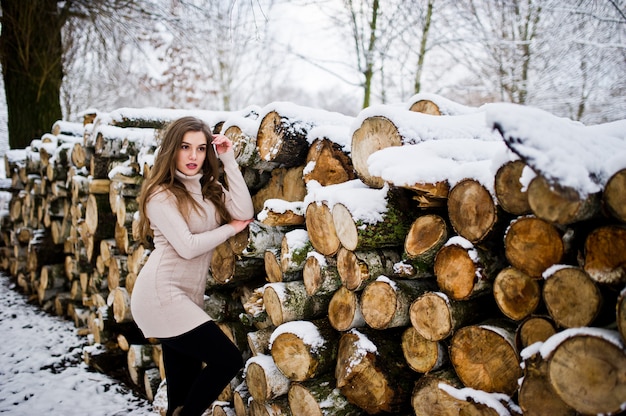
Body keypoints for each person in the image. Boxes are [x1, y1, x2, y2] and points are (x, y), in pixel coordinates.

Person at [130, 116, 254, 416]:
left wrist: (228, 159)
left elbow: (243, 211)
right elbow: (186, 247)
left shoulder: (208, 189)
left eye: (200, 148)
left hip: (186, 296)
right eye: (185, 147)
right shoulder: (161, 194)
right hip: (161, 295)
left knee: (182, 395)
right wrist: (229, 230)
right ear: (172, 149)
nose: (193, 156)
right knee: (228, 360)